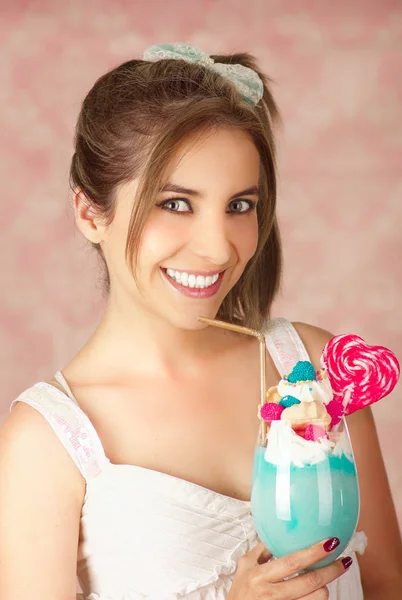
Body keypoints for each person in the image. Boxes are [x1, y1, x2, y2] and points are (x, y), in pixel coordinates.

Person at [0, 42, 401, 600]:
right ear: (90, 212)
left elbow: (387, 584)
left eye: (240, 205)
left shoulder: (316, 369)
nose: (218, 249)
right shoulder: (48, 440)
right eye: (176, 203)